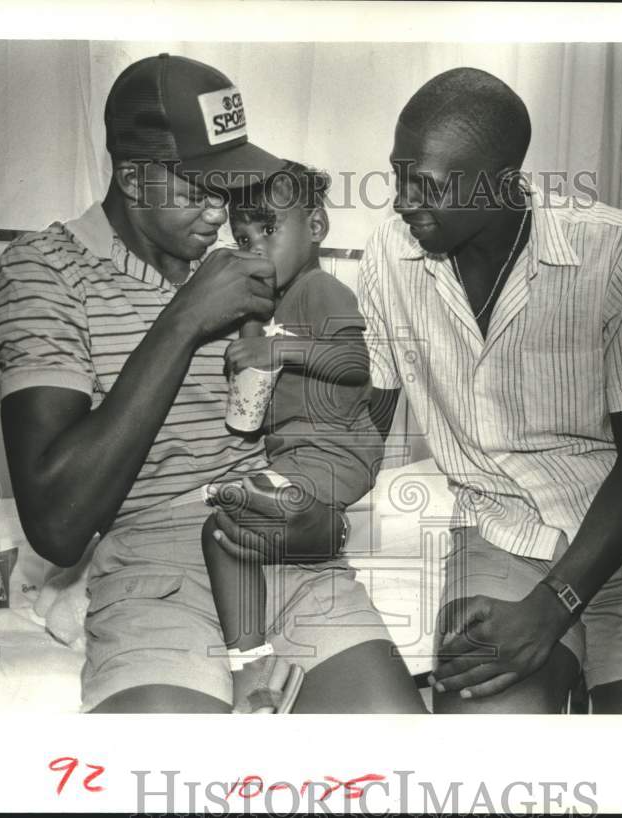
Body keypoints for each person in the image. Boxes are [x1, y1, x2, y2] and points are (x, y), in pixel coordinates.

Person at [0, 53, 424, 714]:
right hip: (152, 571)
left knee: (397, 755)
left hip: (280, 550)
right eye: (199, 189)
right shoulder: (44, 271)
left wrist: (324, 525)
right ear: (132, 179)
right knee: (174, 765)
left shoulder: (254, 267)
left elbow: (328, 413)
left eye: (230, 188)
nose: (220, 213)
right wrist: (186, 318)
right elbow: (56, 525)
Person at [358, 67, 622, 714]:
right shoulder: (389, 256)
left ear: (502, 183)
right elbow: (368, 421)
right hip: (500, 531)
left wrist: (555, 605)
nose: (403, 200)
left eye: (427, 185)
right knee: (484, 744)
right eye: (398, 174)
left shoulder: (615, 249)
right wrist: (306, 491)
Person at [201, 162, 387, 707]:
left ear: (316, 227)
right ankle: (300, 532)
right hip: (301, 455)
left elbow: (353, 363)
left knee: (223, 529)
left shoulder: (320, 289)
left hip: (337, 449)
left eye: (269, 229)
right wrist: (251, 333)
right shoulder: (269, 305)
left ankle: (250, 663)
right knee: (240, 523)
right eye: (243, 239)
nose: (255, 248)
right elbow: (249, 412)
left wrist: (276, 347)